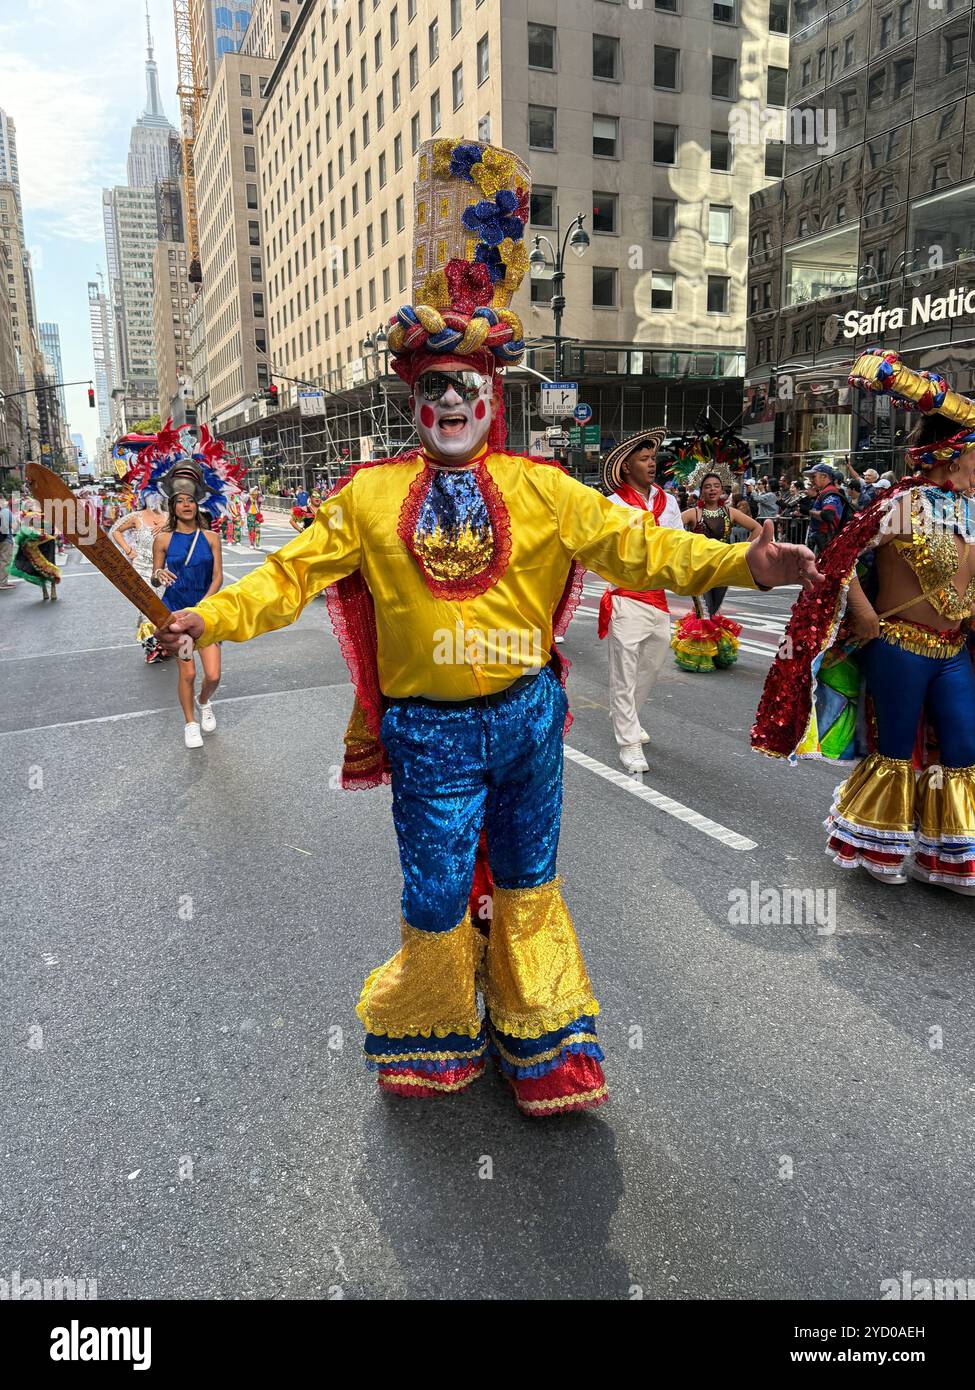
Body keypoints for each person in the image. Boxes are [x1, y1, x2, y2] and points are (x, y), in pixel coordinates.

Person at [158, 136, 819, 1115]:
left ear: (491, 394)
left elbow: (646, 553)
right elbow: (288, 581)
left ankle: (541, 1034)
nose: (451, 402)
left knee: (529, 879)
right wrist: (204, 612)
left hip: (528, 721)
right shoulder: (369, 498)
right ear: (413, 399)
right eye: (432, 388)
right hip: (428, 731)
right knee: (433, 892)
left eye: (467, 385)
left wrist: (743, 563)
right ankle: (434, 1025)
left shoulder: (545, 489)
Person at [754, 348, 975, 895]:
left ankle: (947, 856)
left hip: (953, 650)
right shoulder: (904, 505)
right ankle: (880, 844)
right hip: (898, 645)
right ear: (952, 456)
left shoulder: (973, 511)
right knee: (896, 747)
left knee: (965, 746)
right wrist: (865, 613)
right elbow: (842, 558)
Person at [598, 428, 684, 774]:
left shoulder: (669, 501)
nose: (652, 464)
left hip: (658, 599)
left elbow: (678, 544)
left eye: (653, 459)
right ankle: (628, 743)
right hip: (625, 597)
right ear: (626, 466)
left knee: (651, 666)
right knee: (625, 673)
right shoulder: (613, 505)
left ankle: (626, 714)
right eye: (644, 459)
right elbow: (604, 551)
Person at [153, 467, 224, 748]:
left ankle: (204, 701)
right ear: (173, 506)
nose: (186, 505)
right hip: (177, 616)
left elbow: (217, 576)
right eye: (180, 500)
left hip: (205, 614)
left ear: (197, 504)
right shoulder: (163, 539)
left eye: (191, 500)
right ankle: (190, 723)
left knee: (214, 675)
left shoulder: (211, 538)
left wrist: (206, 603)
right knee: (189, 672)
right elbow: (155, 573)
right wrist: (158, 574)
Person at [671, 465, 761, 672]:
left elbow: (758, 528)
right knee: (703, 612)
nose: (712, 490)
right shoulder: (694, 513)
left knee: (713, 611)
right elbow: (669, 527)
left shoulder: (731, 512)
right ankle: (698, 657)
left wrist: (744, 552)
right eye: (708, 486)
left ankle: (713, 651)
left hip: (723, 569)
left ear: (722, 490)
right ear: (701, 490)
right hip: (699, 570)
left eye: (716, 486)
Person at [110, 497, 170, 662]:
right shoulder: (136, 517)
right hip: (142, 568)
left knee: (164, 608)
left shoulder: (169, 516)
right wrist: (129, 550)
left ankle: (165, 644)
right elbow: (115, 531)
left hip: (165, 569)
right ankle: (151, 648)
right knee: (147, 608)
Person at [8, 502, 61, 600]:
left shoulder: (49, 511)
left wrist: (56, 533)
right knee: (38, 567)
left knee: (51, 564)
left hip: (49, 543)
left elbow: (56, 526)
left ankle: (53, 589)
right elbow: (25, 529)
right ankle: (44, 589)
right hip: (36, 544)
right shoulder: (28, 514)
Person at [804, 462, 851, 555]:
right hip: (823, 539)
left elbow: (828, 515)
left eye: (813, 477)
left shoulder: (829, 492)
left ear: (824, 476)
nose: (811, 480)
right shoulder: (825, 492)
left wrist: (808, 511)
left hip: (827, 540)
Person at [0, 494, 15, 590]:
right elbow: (13, 526)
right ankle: (2, 582)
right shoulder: (5, 511)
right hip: (5, 539)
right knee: (5, 560)